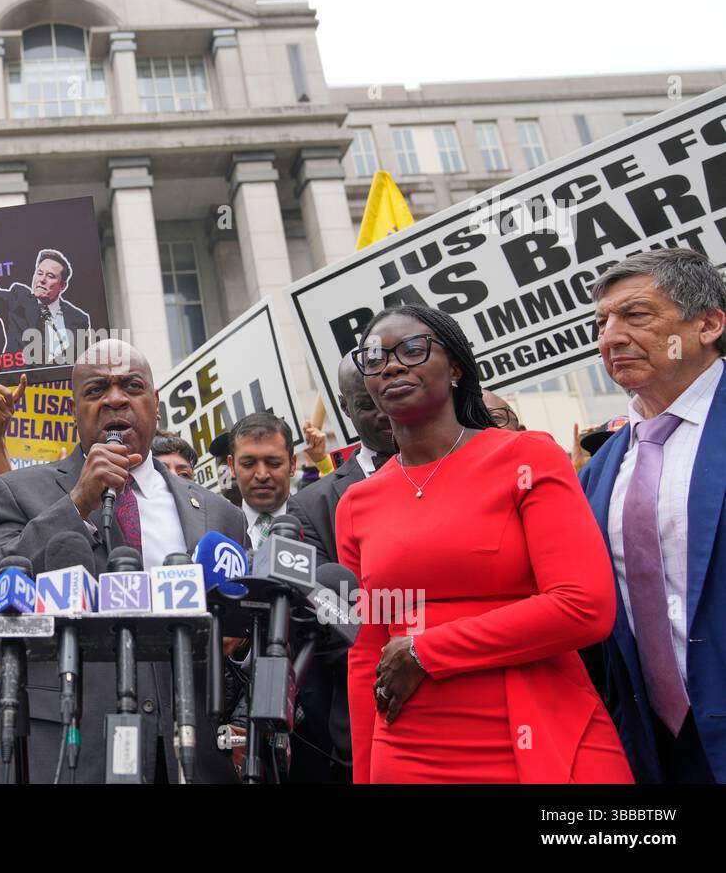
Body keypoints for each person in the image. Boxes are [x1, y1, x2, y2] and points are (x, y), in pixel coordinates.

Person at [338, 304, 632, 783]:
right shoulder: (356, 503)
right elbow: (366, 652)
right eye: (374, 357)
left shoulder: (527, 456)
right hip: (410, 750)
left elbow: (585, 607)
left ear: (455, 367)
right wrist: (366, 774)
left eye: (412, 350)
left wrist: (424, 651)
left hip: (537, 728)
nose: (391, 365)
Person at [0, 339, 247, 783]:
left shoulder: (219, 514)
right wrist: (78, 501)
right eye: (97, 389)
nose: (115, 398)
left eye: (131, 386)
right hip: (68, 747)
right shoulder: (18, 492)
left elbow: (239, 634)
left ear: (155, 403)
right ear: (74, 408)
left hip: (186, 754)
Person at [579, 248, 726, 783]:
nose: (610, 337)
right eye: (602, 322)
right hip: (652, 751)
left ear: (708, 323)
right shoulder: (597, 475)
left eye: (636, 315)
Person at [283, 354, 399, 783]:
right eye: (368, 402)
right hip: (366, 717)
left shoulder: (457, 469)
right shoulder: (311, 506)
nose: (385, 411)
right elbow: (322, 615)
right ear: (344, 407)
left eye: (391, 395)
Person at [228, 412, 299, 549]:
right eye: (248, 464)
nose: (262, 475)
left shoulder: (320, 522)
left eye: (274, 463)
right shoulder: (218, 530)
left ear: (292, 464)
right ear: (232, 466)